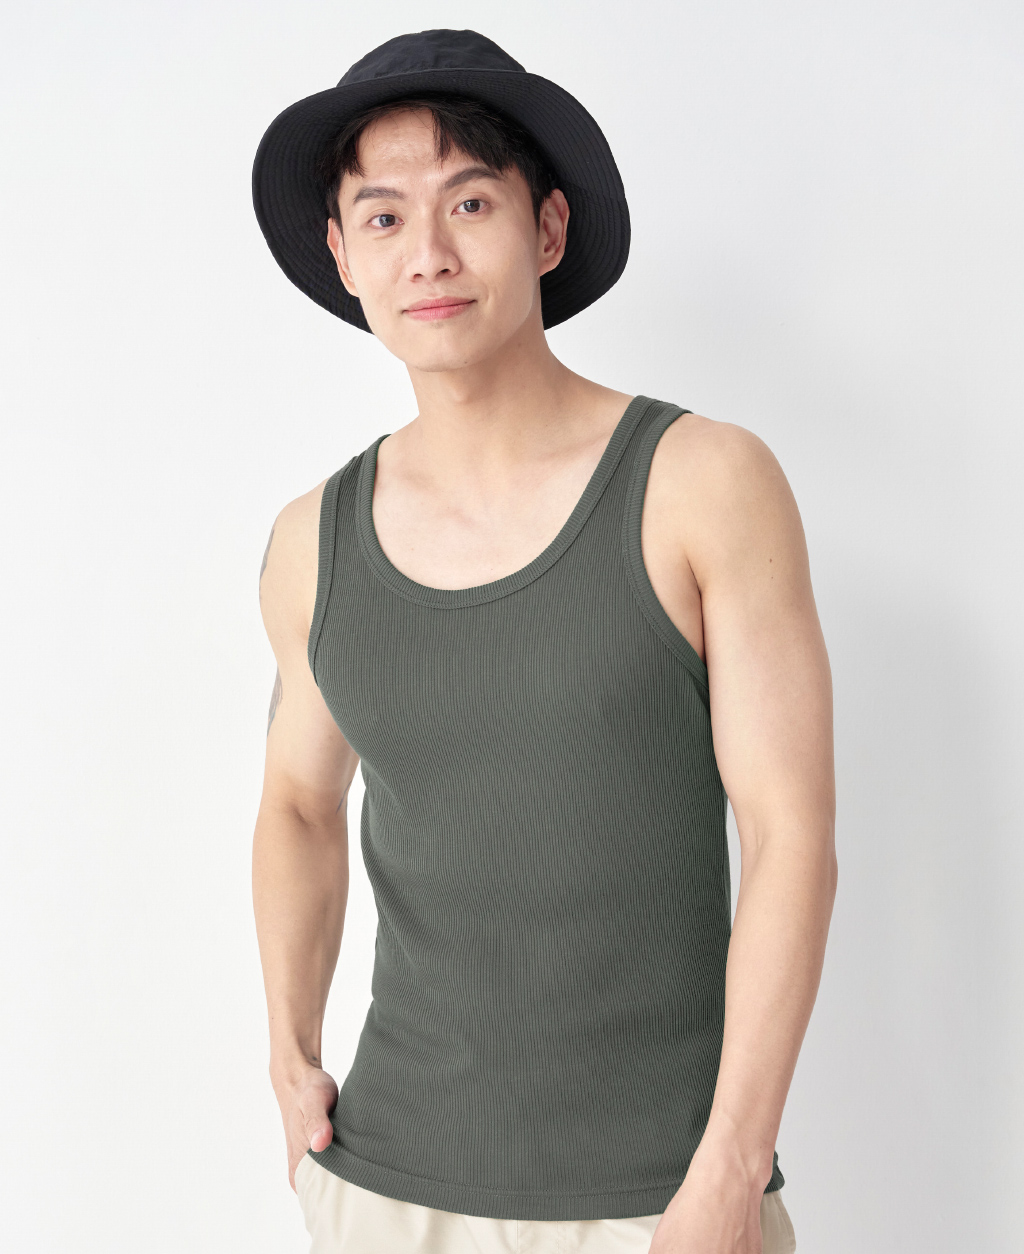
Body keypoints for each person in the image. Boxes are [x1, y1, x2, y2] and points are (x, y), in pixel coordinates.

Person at [251, 27, 835, 1254]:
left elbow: (790, 837)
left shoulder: (702, 482)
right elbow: (299, 804)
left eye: (470, 202)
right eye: (384, 217)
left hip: (663, 1201)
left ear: (548, 228)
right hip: (387, 1188)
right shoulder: (313, 541)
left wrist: (731, 1170)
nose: (429, 252)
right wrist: (288, 1051)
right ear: (343, 255)